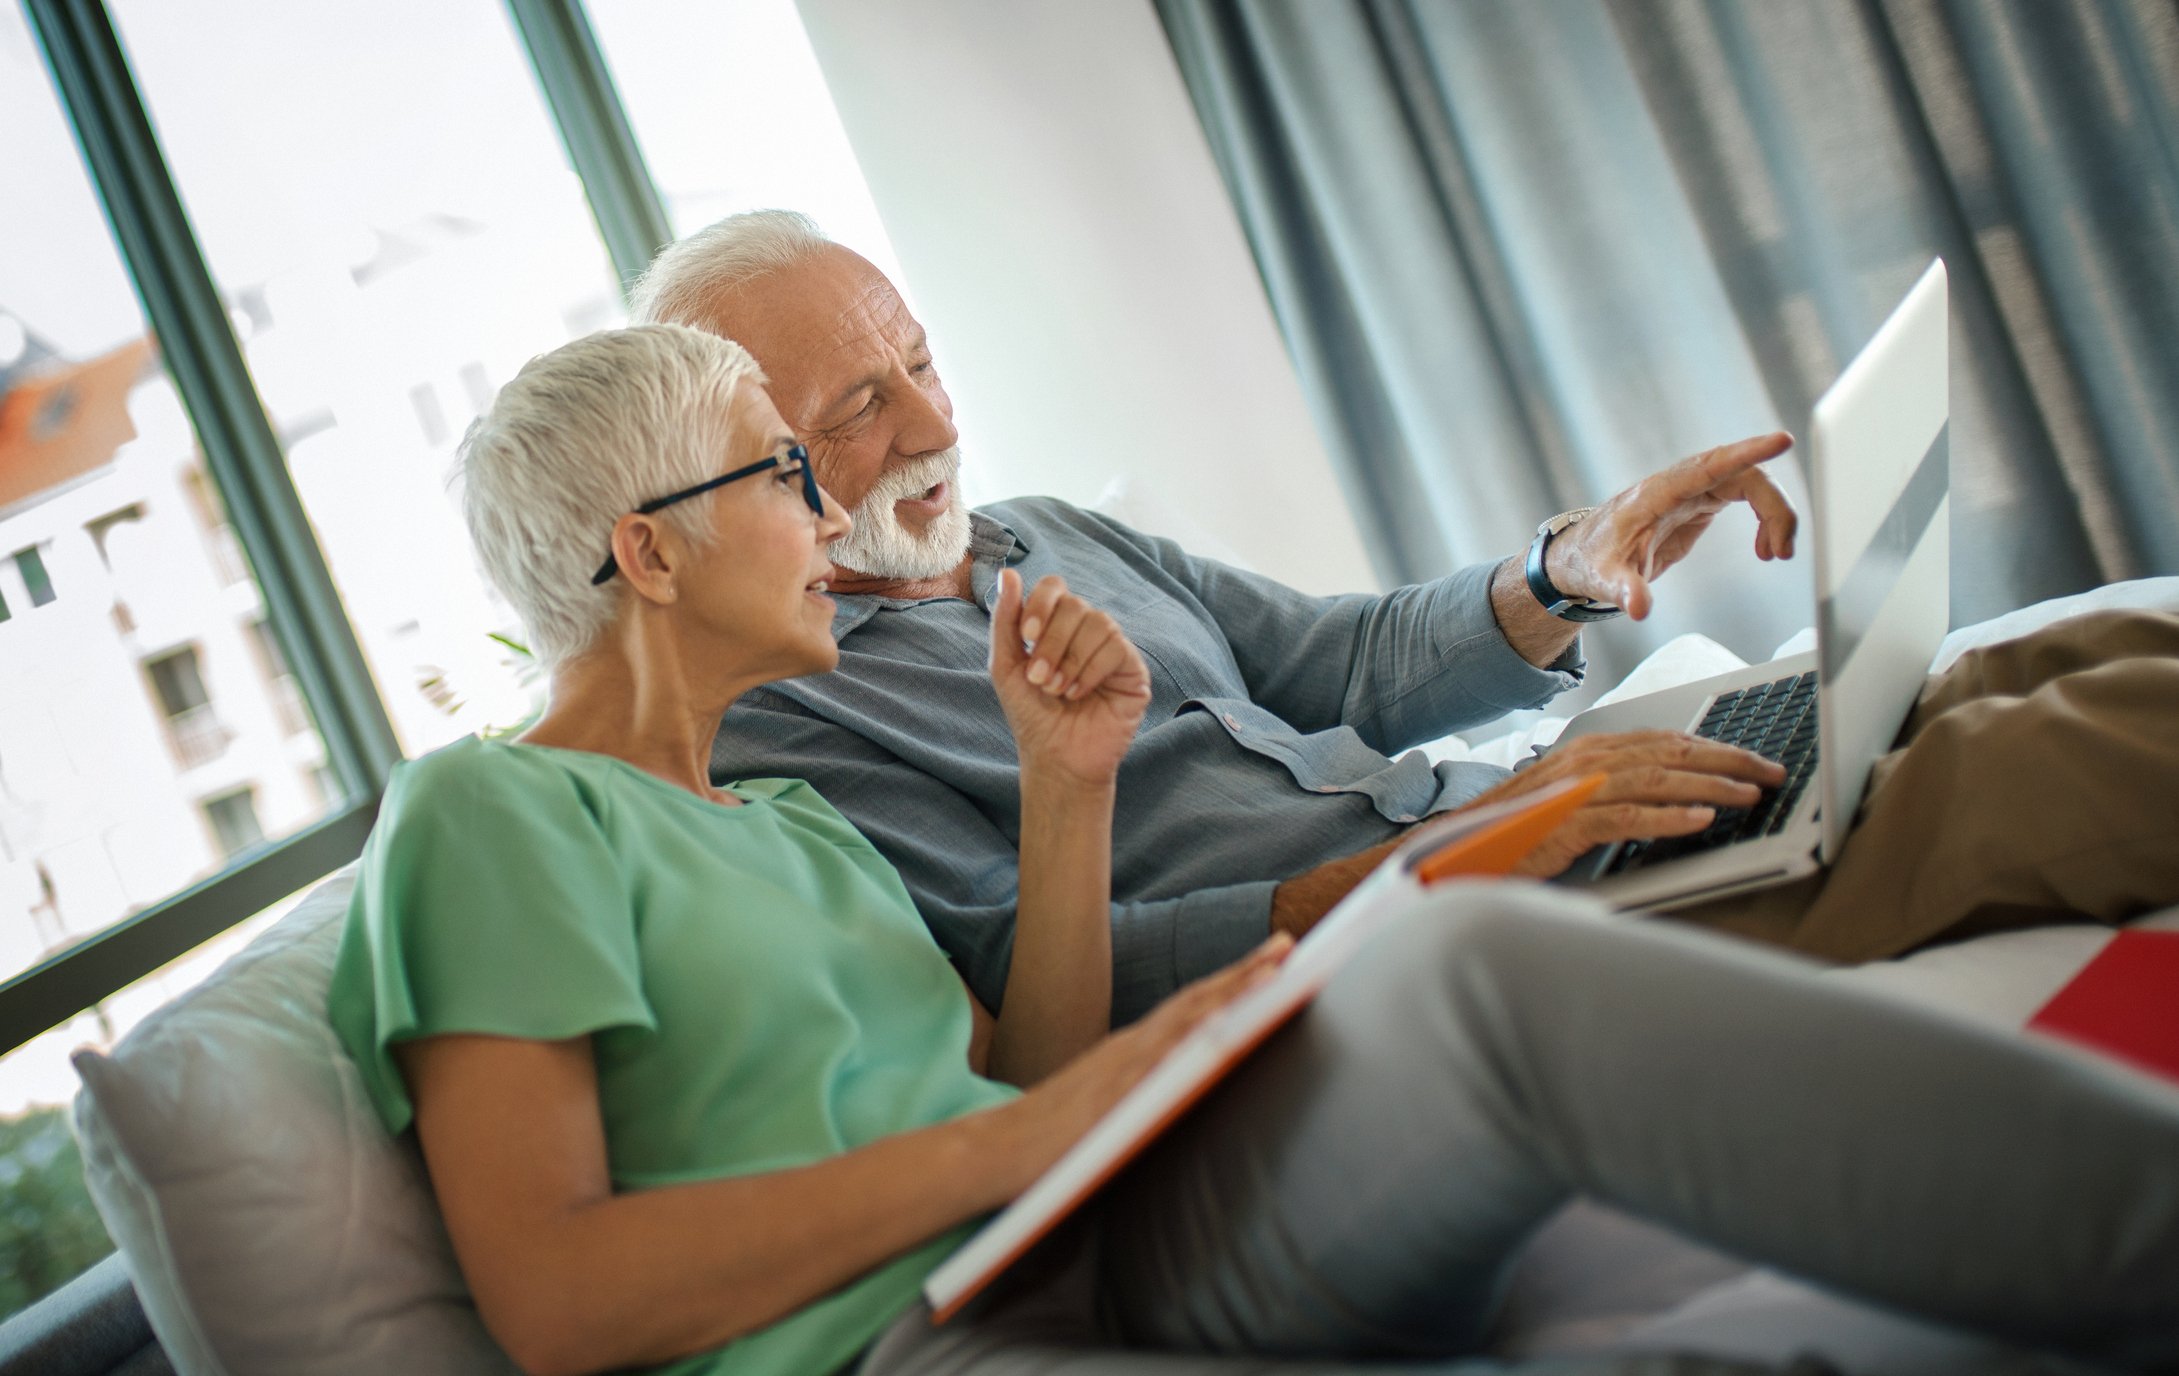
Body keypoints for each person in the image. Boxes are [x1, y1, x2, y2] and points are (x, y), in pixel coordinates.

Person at [329, 323, 2179, 1376]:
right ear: (647, 554)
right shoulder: (491, 816)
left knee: (2016, 667)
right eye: (788, 467)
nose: (842, 498)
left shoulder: (780, 814)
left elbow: (1034, 1065)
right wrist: (1034, 1134)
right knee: (1483, 974)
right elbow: (559, 1299)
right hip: (949, 1326)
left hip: (1090, 1226)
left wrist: (1070, 790)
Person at [631, 211, 2179, 1023]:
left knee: (2062, 663)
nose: (930, 421)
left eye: (920, 358)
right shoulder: (786, 717)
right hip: (1435, 940)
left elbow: (1341, 665)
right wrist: (1457, 857)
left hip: (1518, 826)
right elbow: (1038, 985)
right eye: (859, 404)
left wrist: (1574, 562)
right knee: (2041, 759)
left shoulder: (1044, 533)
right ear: (744, 460)